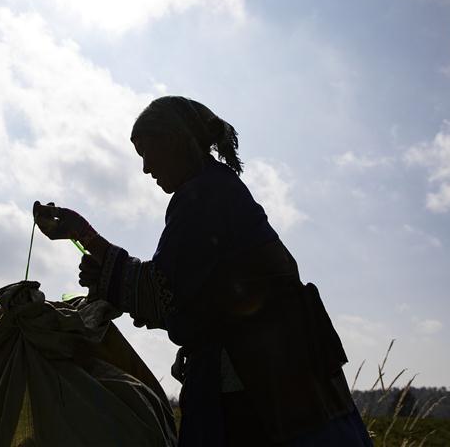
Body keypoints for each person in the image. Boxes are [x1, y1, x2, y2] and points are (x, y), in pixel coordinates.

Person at [33, 96, 373, 446]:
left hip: (259, 393)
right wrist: (101, 261)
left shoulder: (204, 197)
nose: (146, 168)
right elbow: (186, 291)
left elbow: (161, 292)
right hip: (294, 386)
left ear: (174, 141)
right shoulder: (218, 188)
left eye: (147, 152)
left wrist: (87, 239)